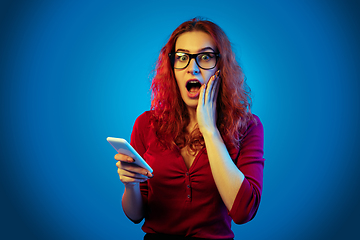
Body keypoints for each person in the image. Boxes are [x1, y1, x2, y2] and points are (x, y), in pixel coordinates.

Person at [115, 17, 264, 240]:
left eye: (205, 57)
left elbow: (244, 212)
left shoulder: (248, 127)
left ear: (221, 66)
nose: (192, 69)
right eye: (182, 58)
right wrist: (130, 185)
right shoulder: (146, 124)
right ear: (172, 67)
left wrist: (210, 131)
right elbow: (136, 215)